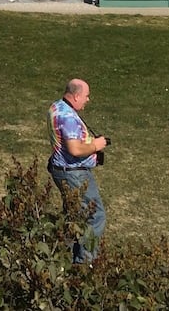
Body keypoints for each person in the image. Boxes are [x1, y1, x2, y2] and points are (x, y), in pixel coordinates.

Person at [47, 78, 108, 264]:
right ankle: (85, 262)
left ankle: (61, 255)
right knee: (94, 215)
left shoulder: (56, 107)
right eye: (86, 96)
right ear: (76, 96)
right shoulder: (68, 117)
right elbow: (74, 149)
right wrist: (97, 145)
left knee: (72, 214)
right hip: (74, 173)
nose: (88, 100)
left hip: (61, 169)